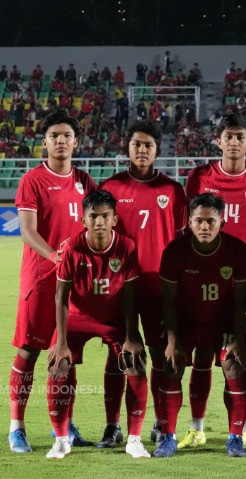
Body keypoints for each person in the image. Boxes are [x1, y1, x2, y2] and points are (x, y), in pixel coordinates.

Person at [8, 110, 97, 453]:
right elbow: (27, 231)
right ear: (44, 143)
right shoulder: (32, 180)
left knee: (66, 355)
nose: (61, 141)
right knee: (29, 350)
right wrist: (54, 256)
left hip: (74, 282)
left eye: (66, 136)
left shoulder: (85, 182)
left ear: (76, 142)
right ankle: (16, 428)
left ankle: (65, 425)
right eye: (54, 136)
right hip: (42, 278)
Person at [185, 112, 246, 450]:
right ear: (218, 141)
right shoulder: (199, 177)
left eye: (240, 136)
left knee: (243, 357)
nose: (234, 142)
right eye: (229, 136)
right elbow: (189, 227)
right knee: (203, 355)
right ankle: (196, 428)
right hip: (204, 280)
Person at [99, 121, 187, 447]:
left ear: (157, 150)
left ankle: (162, 424)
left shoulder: (173, 191)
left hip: (159, 289)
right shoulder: (110, 188)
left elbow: (181, 244)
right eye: (136, 143)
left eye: (147, 145)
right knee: (117, 357)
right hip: (119, 289)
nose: (141, 150)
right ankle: (113, 426)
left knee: (162, 357)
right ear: (127, 147)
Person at [46, 190, 149, 459]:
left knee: (134, 361)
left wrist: (131, 335)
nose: (99, 221)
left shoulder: (126, 246)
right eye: (93, 216)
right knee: (58, 366)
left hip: (113, 318)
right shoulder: (72, 247)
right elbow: (61, 295)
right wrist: (61, 343)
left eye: (105, 216)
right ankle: (60, 439)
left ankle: (134, 439)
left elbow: (129, 296)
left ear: (115, 219)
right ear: (84, 220)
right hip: (78, 318)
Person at [157, 193, 246, 457]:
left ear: (222, 221)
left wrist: (236, 336)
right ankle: (168, 437)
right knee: (172, 364)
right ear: (189, 222)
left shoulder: (237, 249)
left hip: (221, 324)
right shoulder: (175, 251)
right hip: (186, 323)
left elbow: (240, 300)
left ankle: (235, 437)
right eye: (199, 220)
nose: (205, 226)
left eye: (211, 221)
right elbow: (168, 301)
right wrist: (174, 340)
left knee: (232, 365)